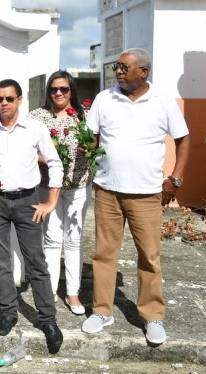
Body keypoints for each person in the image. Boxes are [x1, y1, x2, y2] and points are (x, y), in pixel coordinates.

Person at [81, 48, 190, 345]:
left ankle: (152, 316)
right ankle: (102, 311)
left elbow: (183, 139)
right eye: (116, 67)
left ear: (143, 71)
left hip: (147, 193)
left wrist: (175, 179)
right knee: (104, 254)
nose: (118, 71)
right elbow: (91, 139)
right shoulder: (104, 99)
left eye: (123, 67)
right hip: (107, 190)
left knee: (149, 256)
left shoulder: (162, 100)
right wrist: (85, 149)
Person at [0, 78, 64, 354]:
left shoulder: (34, 129)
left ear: (20, 100)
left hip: (27, 201)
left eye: (9, 98)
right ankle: (8, 313)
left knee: (36, 262)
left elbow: (54, 162)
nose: (4, 103)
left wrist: (51, 201)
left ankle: (48, 320)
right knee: (0, 261)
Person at [29, 70, 91, 316]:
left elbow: (96, 143)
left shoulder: (83, 116)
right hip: (47, 185)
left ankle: (73, 292)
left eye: (64, 89)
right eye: (54, 89)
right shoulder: (37, 116)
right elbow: (28, 148)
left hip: (78, 184)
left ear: (71, 90)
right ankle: (51, 290)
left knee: (74, 238)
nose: (58, 93)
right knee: (52, 238)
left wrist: (90, 149)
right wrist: (49, 159)